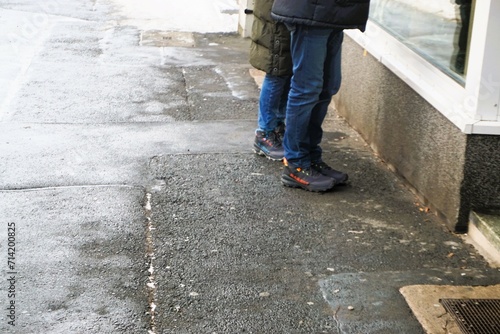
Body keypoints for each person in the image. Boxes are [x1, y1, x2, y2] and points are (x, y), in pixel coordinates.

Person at [271, 0, 370, 192]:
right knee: (306, 89)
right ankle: (296, 164)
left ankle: (310, 158)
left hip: (334, 12)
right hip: (311, 11)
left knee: (327, 87)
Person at [249, 0, 292, 161]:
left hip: (282, 15)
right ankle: (264, 133)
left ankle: (276, 127)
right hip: (275, 18)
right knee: (276, 74)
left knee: (286, 72)